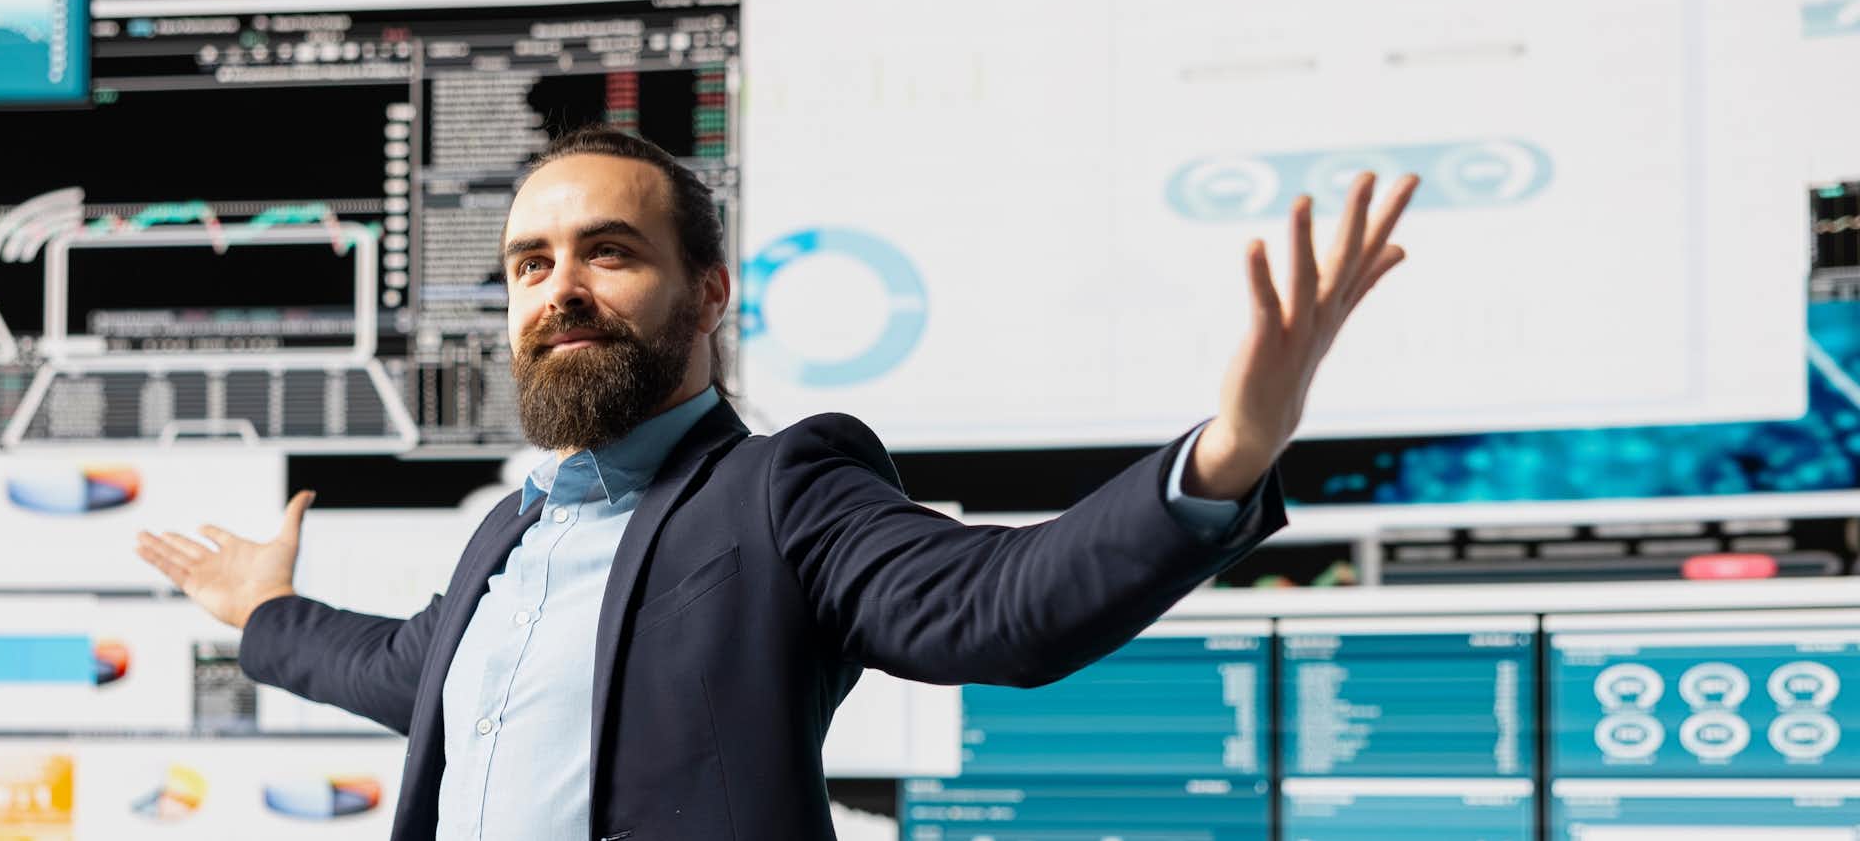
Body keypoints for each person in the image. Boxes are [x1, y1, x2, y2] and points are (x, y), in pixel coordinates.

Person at [136, 126, 1416, 840]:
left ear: (707, 294)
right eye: (531, 264)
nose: (559, 287)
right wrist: (262, 615)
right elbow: (404, 671)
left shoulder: (781, 490)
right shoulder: (504, 537)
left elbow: (1002, 606)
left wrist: (1231, 452)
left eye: (609, 252)